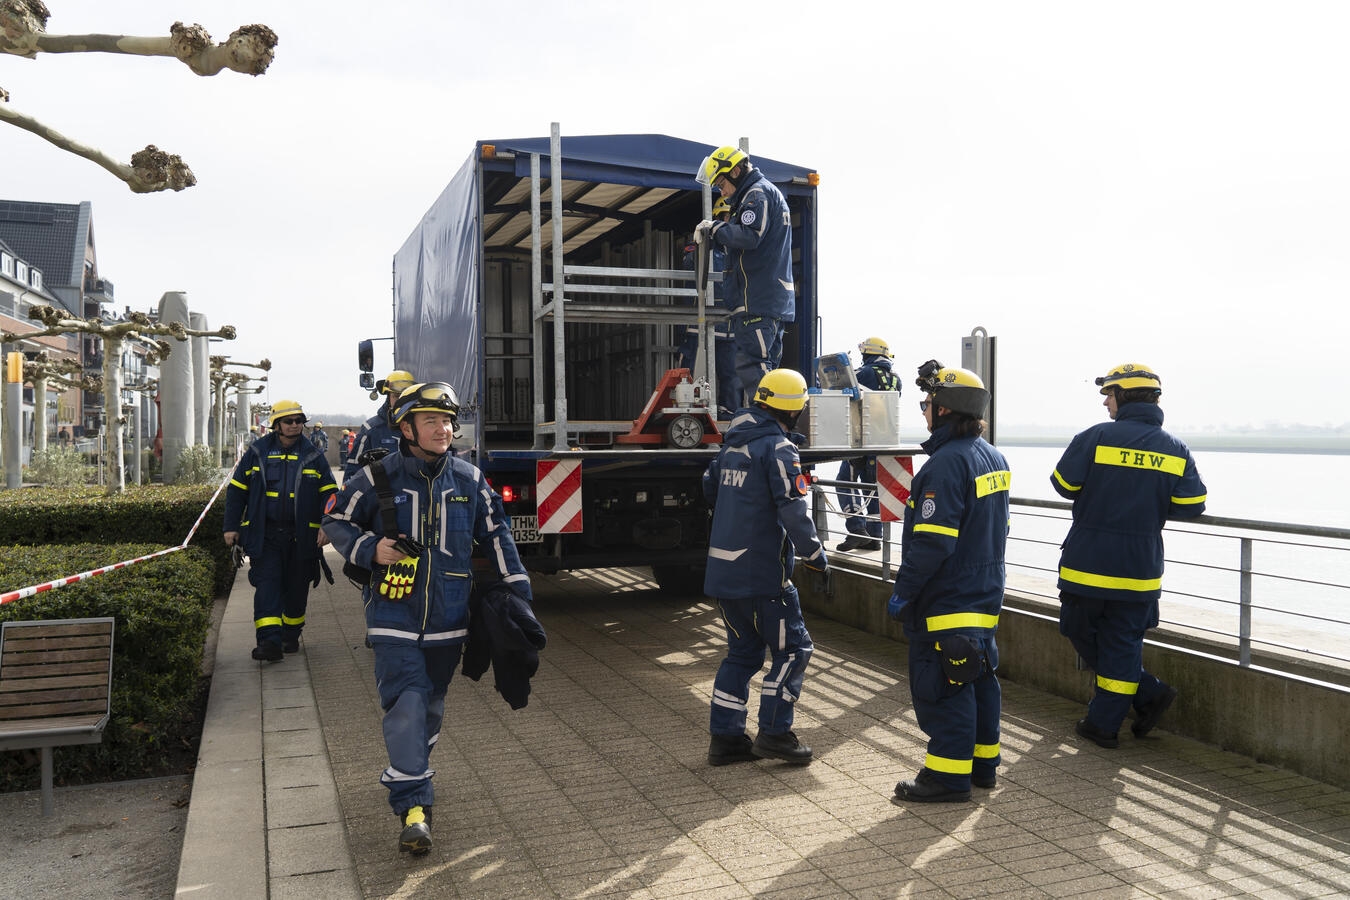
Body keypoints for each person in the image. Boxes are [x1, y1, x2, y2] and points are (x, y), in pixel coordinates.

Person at [322, 381, 534, 856]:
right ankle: (414, 808)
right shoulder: (377, 477)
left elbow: (498, 538)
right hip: (392, 617)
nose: (444, 429)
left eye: (448, 421)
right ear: (407, 428)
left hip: (450, 620)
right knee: (408, 701)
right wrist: (367, 547)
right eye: (432, 421)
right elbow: (334, 520)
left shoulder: (469, 479)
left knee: (432, 704)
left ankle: (414, 769)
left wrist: (521, 600)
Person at [1051, 363, 1207, 749]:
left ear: (1124, 396)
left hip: (1087, 566)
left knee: (1077, 630)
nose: (1105, 401)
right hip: (1140, 570)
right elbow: (1193, 504)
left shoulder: (1095, 437)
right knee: (1122, 644)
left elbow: (1062, 485)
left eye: (1109, 393)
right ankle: (1145, 695)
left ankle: (1106, 723)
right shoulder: (1175, 448)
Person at [888, 361, 1010, 803]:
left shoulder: (944, 465)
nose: (923, 410)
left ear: (943, 411)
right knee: (977, 679)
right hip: (984, 594)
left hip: (948, 598)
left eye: (927, 404)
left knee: (943, 686)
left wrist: (904, 593)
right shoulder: (993, 457)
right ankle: (983, 768)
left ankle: (946, 777)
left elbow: (932, 545)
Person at [702, 368, 827, 767]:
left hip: (723, 572)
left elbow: (709, 488)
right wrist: (815, 556)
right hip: (761, 577)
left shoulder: (731, 446)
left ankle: (726, 740)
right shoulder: (778, 449)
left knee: (741, 655)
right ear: (793, 409)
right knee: (793, 650)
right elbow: (793, 511)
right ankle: (774, 732)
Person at [223, 399, 338, 662]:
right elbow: (237, 491)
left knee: (297, 588)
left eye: (299, 421)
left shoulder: (313, 455)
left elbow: (330, 495)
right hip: (266, 535)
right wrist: (230, 527)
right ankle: (268, 642)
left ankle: (290, 635)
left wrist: (327, 524)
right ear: (276, 425)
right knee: (268, 586)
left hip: (303, 537)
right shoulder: (257, 453)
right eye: (289, 421)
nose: (295, 425)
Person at [694, 146, 794, 407]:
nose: (721, 191)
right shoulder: (762, 193)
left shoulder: (756, 194)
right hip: (768, 299)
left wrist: (716, 228)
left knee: (753, 366)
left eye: (722, 183)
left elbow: (750, 236)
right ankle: (775, 426)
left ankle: (768, 425)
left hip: (757, 300)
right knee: (768, 370)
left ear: (736, 171)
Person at [836, 337, 902, 552]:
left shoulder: (864, 373)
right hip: (885, 440)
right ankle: (875, 536)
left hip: (861, 438)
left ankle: (857, 529)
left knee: (845, 481)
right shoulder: (896, 379)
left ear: (868, 353)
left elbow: (843, 391)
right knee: (873, 488)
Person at [680, 197, 742, 417]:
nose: (731, 223)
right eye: (727, 218)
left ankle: (729, 414)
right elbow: (689, 264)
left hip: (729, 326)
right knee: (692, 372)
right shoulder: (703, 245)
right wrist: (702, 242)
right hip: (701, 324)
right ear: (718, 218)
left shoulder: (738, 250)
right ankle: (688, 411)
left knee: (732, 375)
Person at [344, 369, 416, 480]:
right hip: (382, 496)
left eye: (406, 397)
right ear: (388, 397)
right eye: (396, 396)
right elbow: (353, 471)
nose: (401, 402)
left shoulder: (424, 427)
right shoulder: (371, 428)